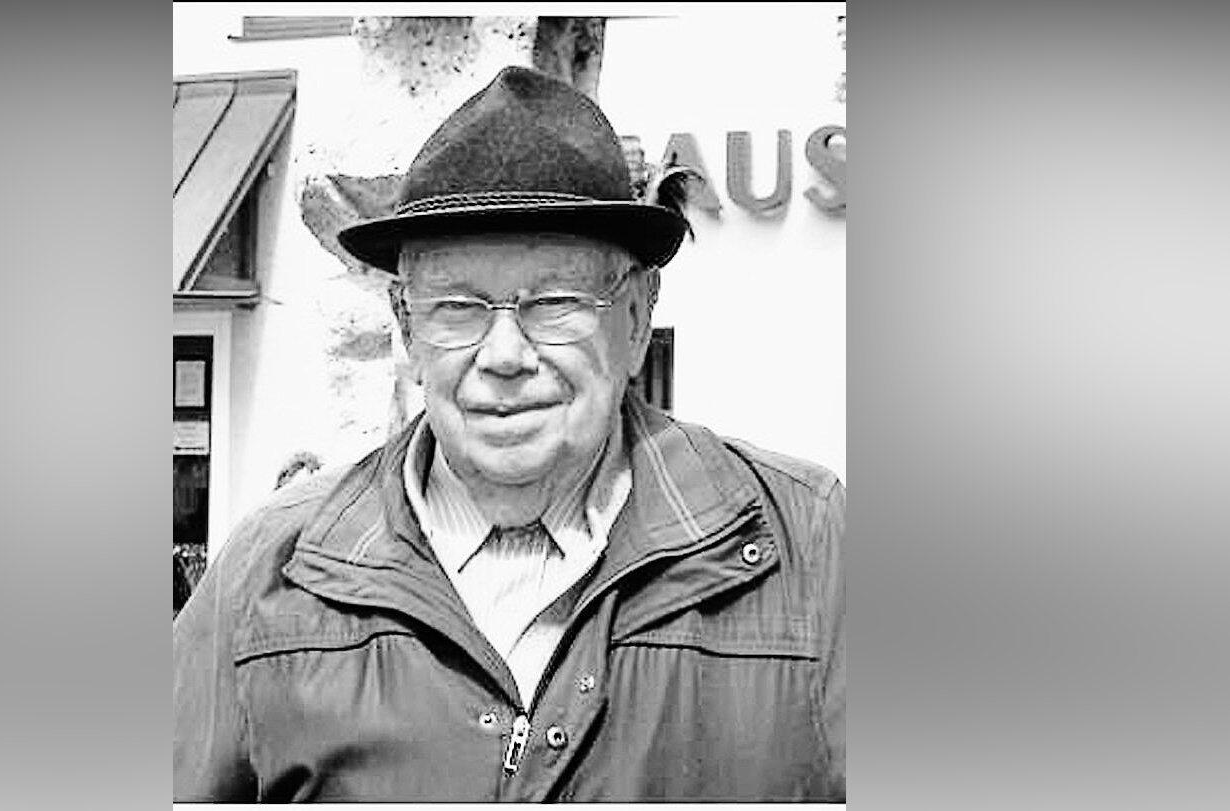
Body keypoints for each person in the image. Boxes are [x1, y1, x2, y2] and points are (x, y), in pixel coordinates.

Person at [173, 66, 845, 803]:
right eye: (457, 306)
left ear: (635, 319)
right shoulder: (270, 570)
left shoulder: (809, 547)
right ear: (406, 327)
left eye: (553, 302)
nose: (503, 356)